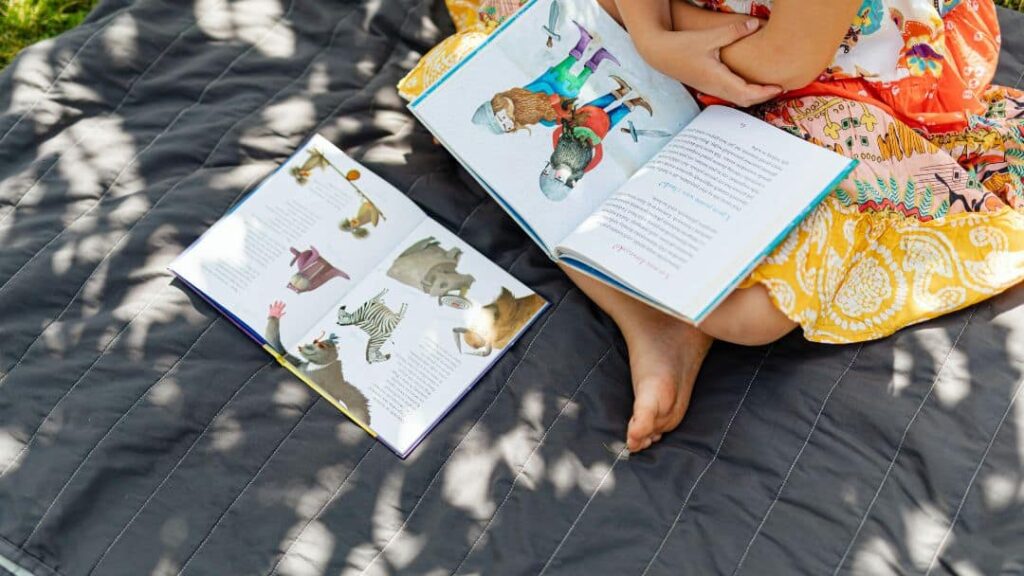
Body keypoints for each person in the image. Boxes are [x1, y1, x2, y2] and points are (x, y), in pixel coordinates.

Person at [581, 0, 1024, 453]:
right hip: (703, 48)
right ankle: (652, 321)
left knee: (748, 311)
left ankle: (675, 315)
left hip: (838, 82)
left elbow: (786, 57)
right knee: (527, 109)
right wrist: (651, 34)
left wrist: (657, 34)